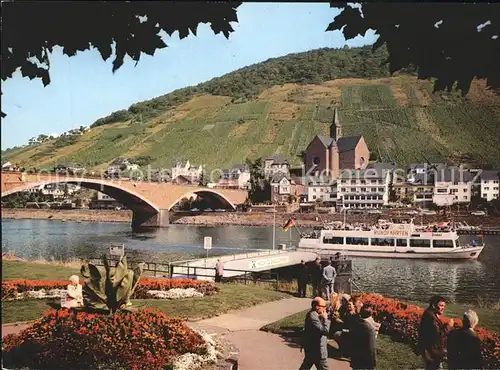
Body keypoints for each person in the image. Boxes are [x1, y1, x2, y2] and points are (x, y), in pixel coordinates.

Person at [417, 295, 454, 370]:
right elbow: (438, 336)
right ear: (434, 305)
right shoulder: (431, 317)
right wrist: (449, 326)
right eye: (441, 305)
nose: (443, 308)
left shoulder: (429, 313)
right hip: (433, 353)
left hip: (431, 351)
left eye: (444, 306)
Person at [300, 297, 331, 370]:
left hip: (313, 349)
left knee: (306, 366)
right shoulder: (313, 316)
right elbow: (325, 331)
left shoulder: (316, 315)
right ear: (317, 307)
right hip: (317, 350)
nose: (325, 309)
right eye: (323, 306)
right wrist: (326, 319)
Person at [349, 304, 377, 370]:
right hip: (366, 360)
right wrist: (373, 362)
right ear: (371, 314)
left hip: (356, 357)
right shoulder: (370, 329)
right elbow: (371, 348)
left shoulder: (356, 323)